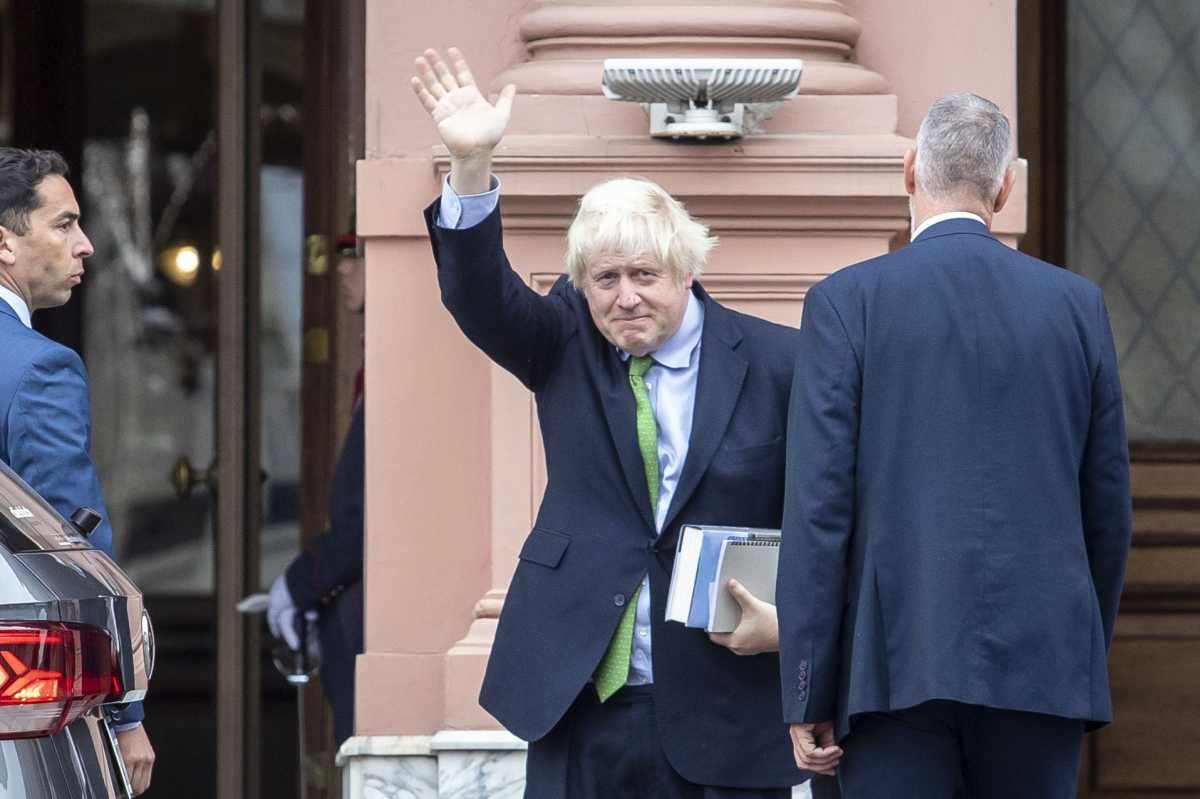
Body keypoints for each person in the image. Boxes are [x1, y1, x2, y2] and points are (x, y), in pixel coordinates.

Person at [411, 47, 834, 799]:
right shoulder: (564, 341)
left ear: (687, 272)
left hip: (724, 709)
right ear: (581, 286)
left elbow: (825, 513)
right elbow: (478, 297)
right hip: (584, 701)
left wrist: (801, 627)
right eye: (605, 279)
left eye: (645, 275)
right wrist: (470, 167)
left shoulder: (781, 362)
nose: (626, 297)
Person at [777, 93, 1132, 797]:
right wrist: (1078, 644)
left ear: (910, 172)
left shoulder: (846, 301)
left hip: (889, 670)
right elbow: (1108, 506)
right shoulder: (1077, 305)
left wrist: (807, 687)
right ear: (1005, 187)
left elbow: (819, 511)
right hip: (1043, 669)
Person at [0, 147, 157, 794]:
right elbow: (74, 553)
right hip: (25, 705)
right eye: (63, 224)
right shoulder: (40, 369)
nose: (86, 244)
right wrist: (126, 713)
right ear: (4, 243)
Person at [266, 230, 365, 747]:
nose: (343, 270)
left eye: (358, 255)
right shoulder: (379, 365)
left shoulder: (402, 369)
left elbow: (367, 521)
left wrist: (300, 585)